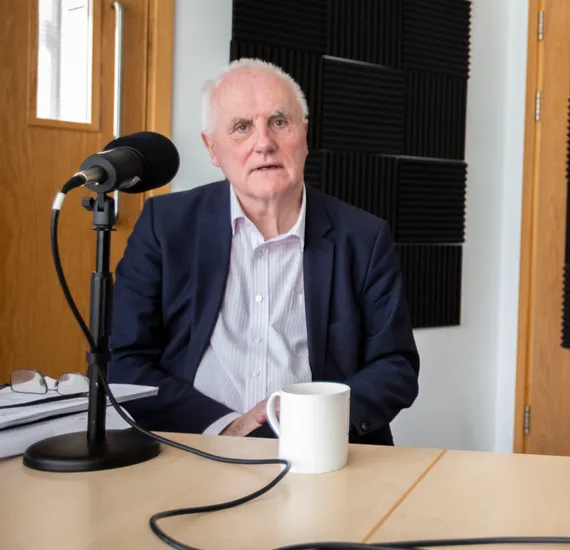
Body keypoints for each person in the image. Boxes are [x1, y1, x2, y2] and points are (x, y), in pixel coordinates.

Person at [109, 58, 419, 445]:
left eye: (278, 122)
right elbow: (125, 362)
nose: (264, 143)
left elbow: (395, 367)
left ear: (304, 135)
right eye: (241, 127)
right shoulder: (165, 225)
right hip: (196, 446)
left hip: (323, 451)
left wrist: (315, 421)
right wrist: (226, 425)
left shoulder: (364, 236)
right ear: (212, 148)